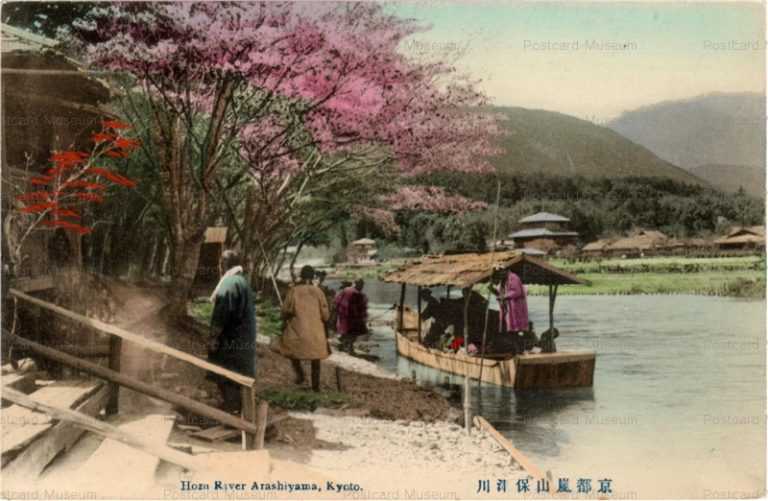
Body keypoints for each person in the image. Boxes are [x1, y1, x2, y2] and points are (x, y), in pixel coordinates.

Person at [208, 250, 257, 413]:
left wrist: (213, 337)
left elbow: (221, 313)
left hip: (232, 340)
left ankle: (232, 410)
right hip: (242, 338)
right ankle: (236, 408)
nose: (219, 266)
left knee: (225, 372)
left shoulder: (229, 283)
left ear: (224, 264)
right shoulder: (241, 281)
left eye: (221, 263)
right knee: (236, 373)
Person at [279, 265, 330, 392]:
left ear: (301, 276)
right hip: (316, 336)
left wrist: (285, 316)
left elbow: (285, 311)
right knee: (316, 358)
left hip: (298, 334)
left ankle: (300, 374)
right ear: (313, 277)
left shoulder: (294, 291)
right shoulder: (318, 292)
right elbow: (326, 315)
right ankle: (316, 387)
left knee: (289, 348)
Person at [334, 278, 368, 354]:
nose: (362, 287)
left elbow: (336, 301)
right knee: (353, 333)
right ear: (357, 284)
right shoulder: (358, 294)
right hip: (352, 317)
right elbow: (361, 308)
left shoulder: (345, 290)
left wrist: (338, 311)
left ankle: (344, 346)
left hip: (343, 315)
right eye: (361, 285)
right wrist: (363, 317)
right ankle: (349, 348)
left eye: (362, 285)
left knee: (346, 332)